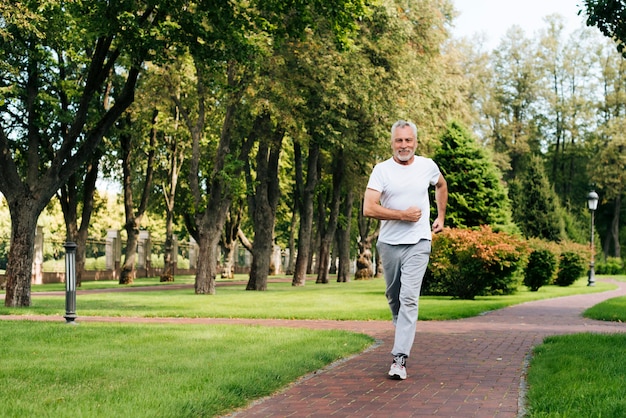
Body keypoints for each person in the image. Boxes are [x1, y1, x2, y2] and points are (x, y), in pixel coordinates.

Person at [363, 120, 448, 380]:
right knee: (394, 298)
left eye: (408, 140)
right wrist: (402, 215)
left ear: (415, 142)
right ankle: (402, 329)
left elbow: (441, 185)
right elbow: (368, 208)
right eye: (399, 141)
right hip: (389, 244)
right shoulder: (381, 170)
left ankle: (399, 358)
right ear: (392, 143)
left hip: (419, 242)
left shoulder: (427, 166)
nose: (404, 145)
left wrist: (441, 217)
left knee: (409, 298)